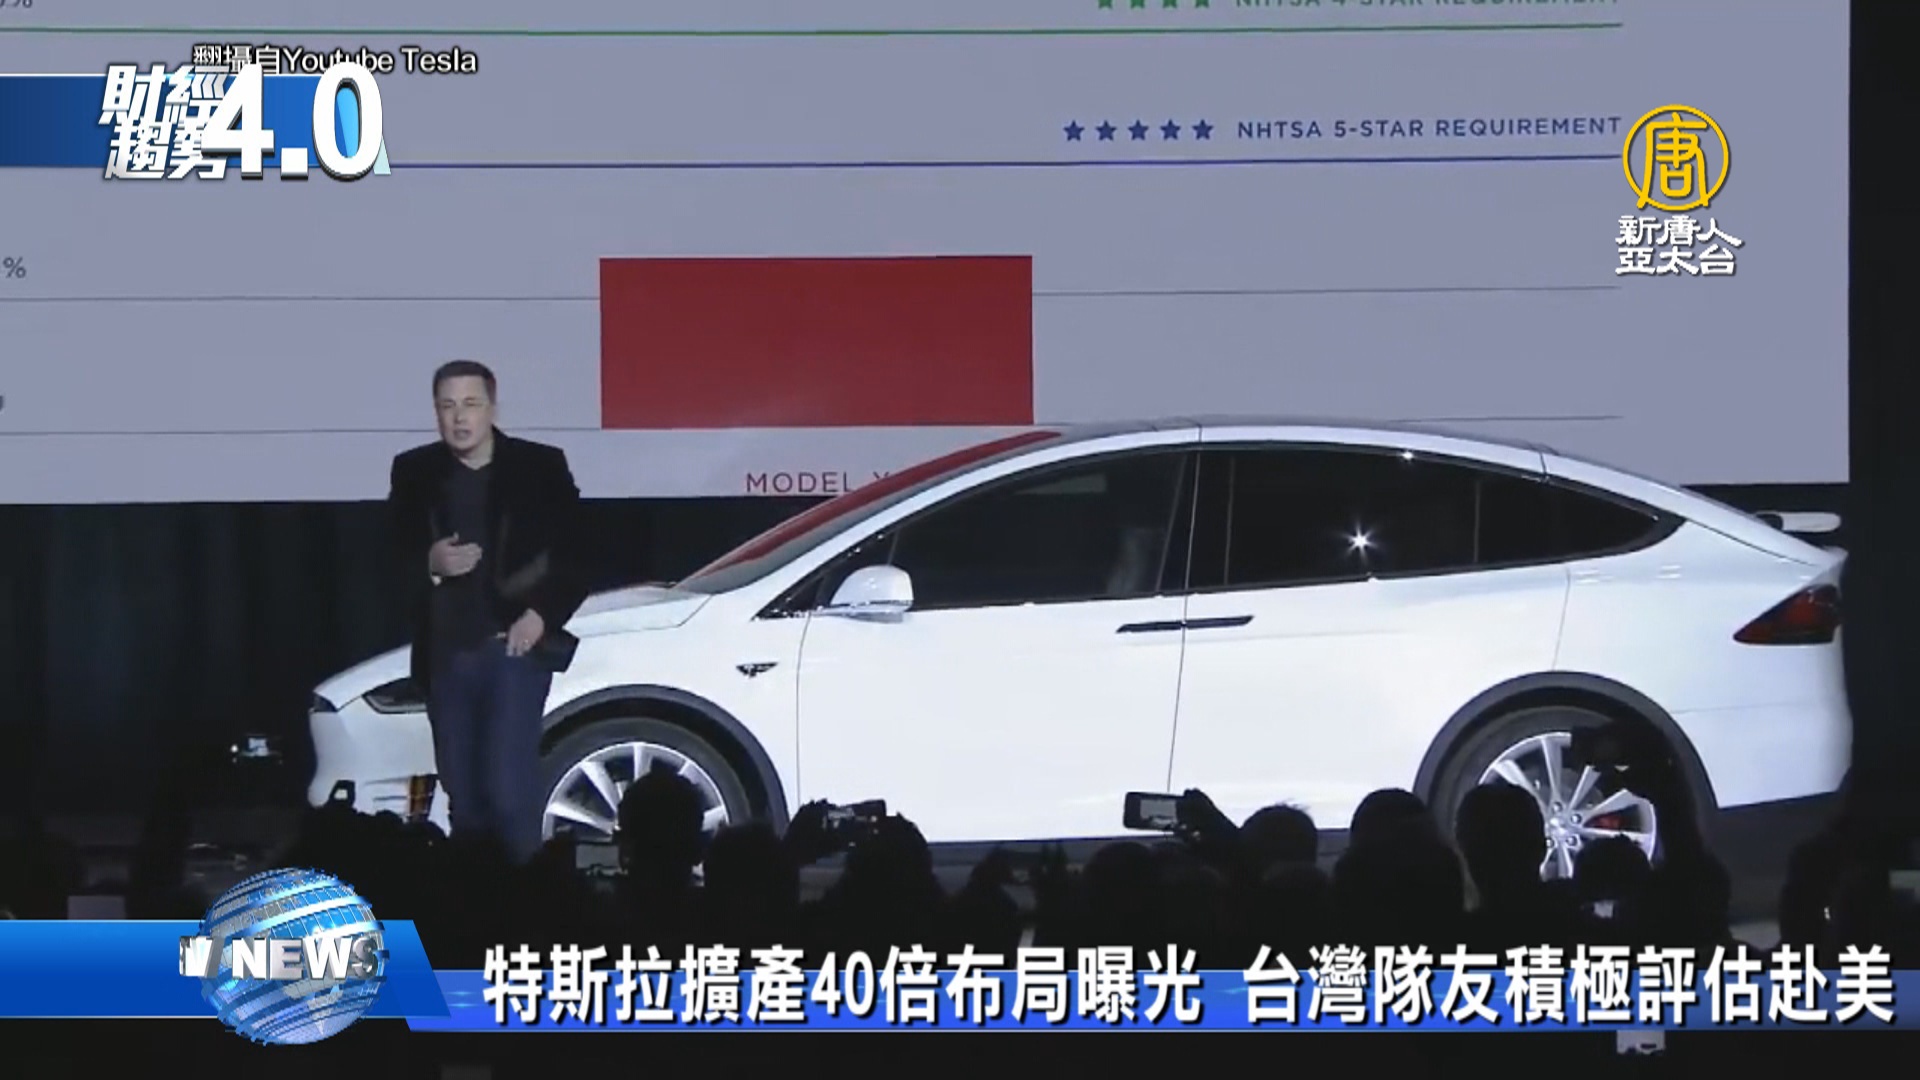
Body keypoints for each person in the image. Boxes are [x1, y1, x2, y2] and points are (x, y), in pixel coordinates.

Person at [387, 360, 587, 863]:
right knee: (465, 797)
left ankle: (522, 897)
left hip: (513, 651)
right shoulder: (415, 471)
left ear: (492, 408)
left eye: (471, 404)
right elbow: (388, 556)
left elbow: (577, 555)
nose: (459, 417)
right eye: (448, 406)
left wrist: (541, 615)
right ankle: (475, 899)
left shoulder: (539, 467)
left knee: (507, 792)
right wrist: (430, 562)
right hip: (447, 656)